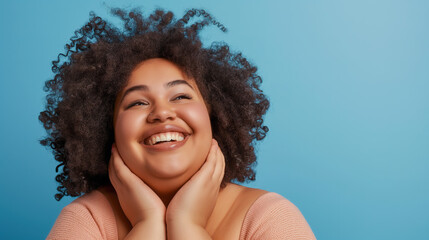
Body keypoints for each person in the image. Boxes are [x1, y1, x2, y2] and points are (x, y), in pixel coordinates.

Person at [40, 7, 316, 240]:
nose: (162, 113)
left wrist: (187, 225)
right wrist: (146, 225)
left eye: (181, 96)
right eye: (137, 102)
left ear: (215, 116)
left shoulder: (268, 217)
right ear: (105, 127)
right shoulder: (86, 221)